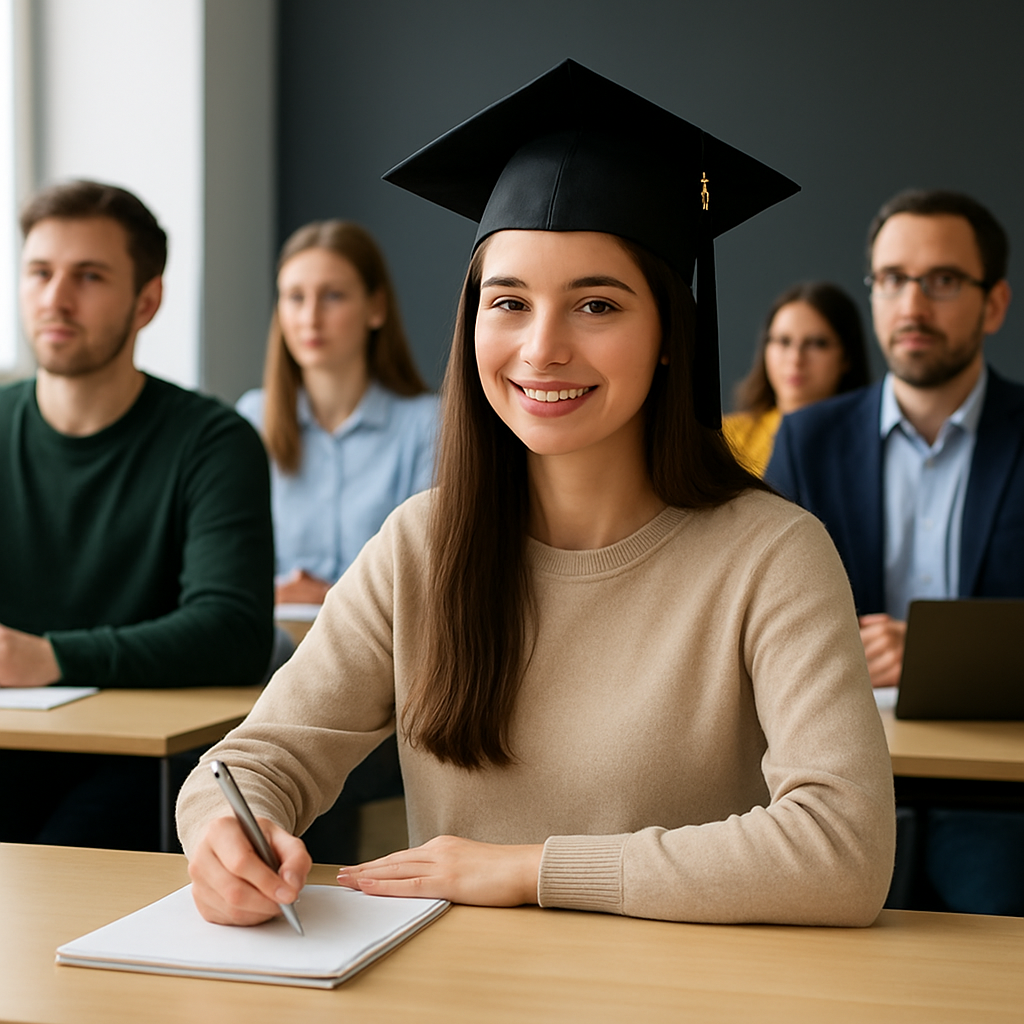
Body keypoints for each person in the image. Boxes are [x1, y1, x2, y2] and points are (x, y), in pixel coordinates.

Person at [177, 60, 895, 927]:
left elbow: (844, 851)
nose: (542, 348)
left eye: (597, 306)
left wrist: (526, 871)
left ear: (672, 334)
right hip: (461, 991)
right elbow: (253, 764)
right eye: (508, 302)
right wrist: (225, 832)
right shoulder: (422, 544)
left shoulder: (772, 556)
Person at [766, 188, 1022, 916]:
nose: (912, 306)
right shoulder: (808, 442)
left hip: (999, 797)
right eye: (891, 280)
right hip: (838, 779)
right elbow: (755, 620)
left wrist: (943, 659)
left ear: (994, 304)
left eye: (942, 281)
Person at [0, 180, 274, 850]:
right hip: (12, 742)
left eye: (88, 277)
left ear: (146, 300)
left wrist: (50, 657)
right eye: (39, 273)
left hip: (143, 766)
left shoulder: (212, 440)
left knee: (56, 872)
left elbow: (233, 630)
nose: (55, 299)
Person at [237, 220, 437, 606]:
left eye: (332, 296)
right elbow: (232, 564)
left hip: (381, 649)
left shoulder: (429, 424)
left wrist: (331, 600)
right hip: (270, 642)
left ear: (375, 308)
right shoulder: (253, 417)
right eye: (295, 297)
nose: (310, 317)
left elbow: (428, 571)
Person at [723, 282, 869, 475]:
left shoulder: (870, 445)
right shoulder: (724, 440)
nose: (796, 359)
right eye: (784, 341)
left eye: (817, 343)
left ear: (847, 357)